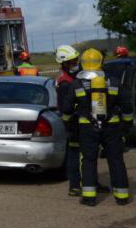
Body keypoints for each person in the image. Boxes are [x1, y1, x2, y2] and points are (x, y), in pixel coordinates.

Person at [61, 48, 134, 206]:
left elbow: (66, 109)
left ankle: (89, 197)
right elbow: (127, 106)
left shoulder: (77, 83)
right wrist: (127, 124)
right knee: (116, 160)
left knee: (88, 160)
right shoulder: (114, 81)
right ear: (101, 62)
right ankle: (122, 197)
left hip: (87, 127)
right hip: (112, 127)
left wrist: (68, 124)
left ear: (83, 63)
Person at [55, 45, 82, 196]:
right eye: (71, 62)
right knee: (74, 155)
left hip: (81, 122)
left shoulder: (74, 78)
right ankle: (74, 185)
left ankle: (90, 182)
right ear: (63, 64)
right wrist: (70, 128)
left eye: (75, 60)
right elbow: (66, 108)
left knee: (87, 156)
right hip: (73, 125)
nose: (75, 64)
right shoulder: (65, 83)